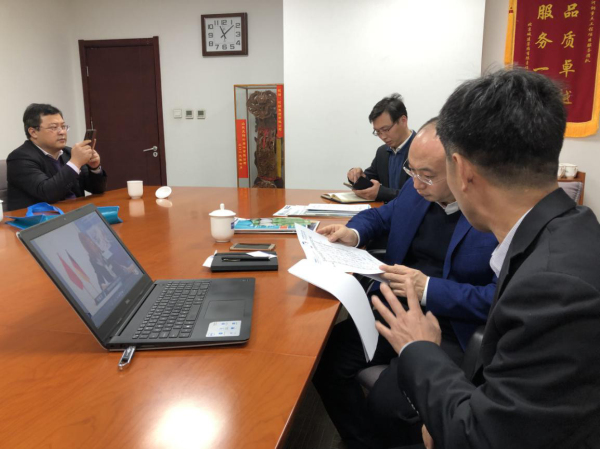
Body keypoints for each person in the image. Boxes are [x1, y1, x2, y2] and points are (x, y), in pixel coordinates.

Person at [373, 68, 600, 449]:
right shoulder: (572, 227)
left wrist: (419, 348)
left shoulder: (554, 289)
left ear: (461, 170)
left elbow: (481, 435)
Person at [313, 119, 498, 449]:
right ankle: (360, 441)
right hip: (395, 308)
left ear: (462, 170)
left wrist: (429, 288)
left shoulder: (493, 214)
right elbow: (379, 216)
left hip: (450, 326)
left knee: (389, 403)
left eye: (427, 175)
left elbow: (499, 297)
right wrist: (352, 233)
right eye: (411, 171)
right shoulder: (416, 191)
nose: (415, 184)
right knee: (326, 360)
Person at [6, 103, 107, 211]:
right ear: (33, 132)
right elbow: (48, 193)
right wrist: (75, 163)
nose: (62, 132)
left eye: (63, 126)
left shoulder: (69, 153)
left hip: (74, 213)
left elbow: (97, 189)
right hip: (41, 218)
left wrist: (94, 168)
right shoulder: (19, 158)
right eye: (53, 127)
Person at [347, 94, 415, 202]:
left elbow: (420, 196)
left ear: (403, 120)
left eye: (386, 129)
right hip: (386, 210)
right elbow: (370, 179)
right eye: (378, 132)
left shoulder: (423, 151)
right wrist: (356, 175)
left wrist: (382, 193)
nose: (382, 136)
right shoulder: (382, 152)